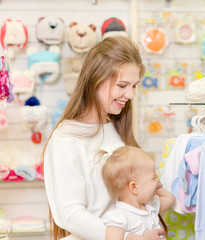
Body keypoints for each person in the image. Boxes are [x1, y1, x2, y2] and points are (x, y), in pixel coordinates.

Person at [43, 36, 168, 240]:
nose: (130, 95)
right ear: (95, 80)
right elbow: (71, 215)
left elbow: (124, 203)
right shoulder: (66, 139)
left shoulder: (114, 128)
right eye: (122, 85)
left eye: (134, 86)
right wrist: (128, 237)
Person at [102, 146, 175, 240]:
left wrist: (155, 185)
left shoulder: (150, 206)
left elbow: (170, 198)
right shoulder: (119, 217)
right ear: (134, 187)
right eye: (153, 178)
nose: (157, 181)